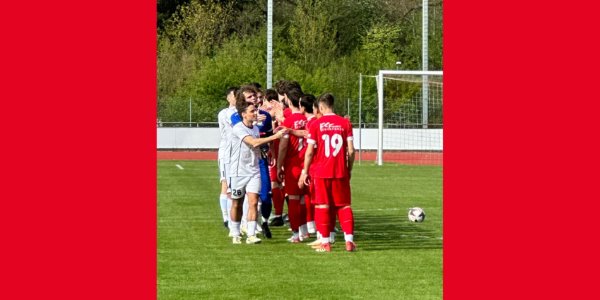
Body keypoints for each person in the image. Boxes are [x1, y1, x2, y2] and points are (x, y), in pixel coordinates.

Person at [228, 87, 287, 244]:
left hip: (253, 170)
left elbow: (258, 145)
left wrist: (265, 150)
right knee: (237, 203)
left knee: (254, 201)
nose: (256, 113)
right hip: (238, 170)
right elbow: (253, 142)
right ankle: (235, 232)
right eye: (252, 111)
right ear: (244, 114)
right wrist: (275, 136)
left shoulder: (255, 128)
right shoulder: (238, 127)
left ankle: (251, 234)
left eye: (255, 111)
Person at [299, 93, 356, 252]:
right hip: (340, 171)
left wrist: (304, 171)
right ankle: (349, 240)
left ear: (321, 107)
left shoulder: (316, 124)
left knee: (322, 205)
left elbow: (309, 152)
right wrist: (349, 169)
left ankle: (325, 243)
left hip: (321, 172)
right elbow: (351, 151)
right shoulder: (345, 123)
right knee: (344, 206)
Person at [276, 87, 309, 243]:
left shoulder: (288, 121)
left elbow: (283, 147)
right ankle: (304, 230)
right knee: (303, 199)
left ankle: (296, 234)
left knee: (294, 199)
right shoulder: (308, 119)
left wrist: (279, 166)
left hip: (293, 165)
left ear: (288, 100)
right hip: (307, 165)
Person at [216, 86, 238, 228]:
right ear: (228, 98)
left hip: (239, 153)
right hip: (226, 153)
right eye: (234, 95)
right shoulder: (224, 113)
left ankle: (237, 219)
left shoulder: (244, 111)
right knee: (226, 185)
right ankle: (226, 217)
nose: (236, 97)